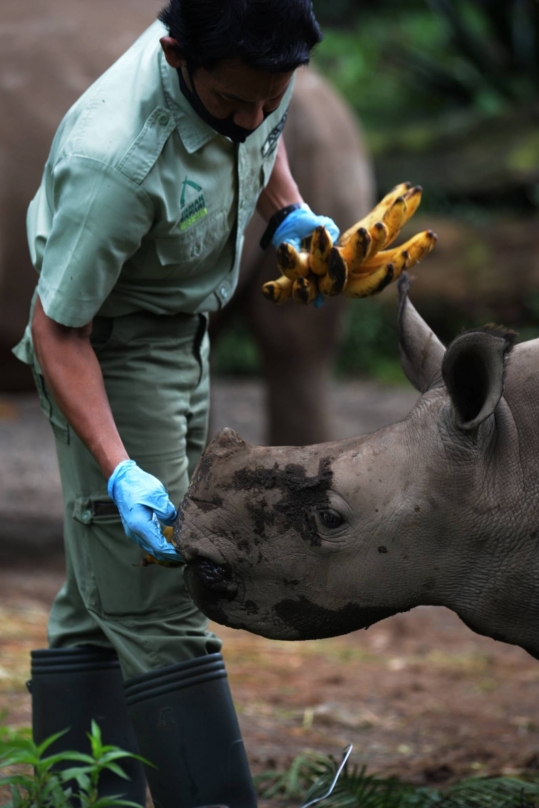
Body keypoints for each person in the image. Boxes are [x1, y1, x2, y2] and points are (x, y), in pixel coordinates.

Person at [14, 2, 340, 806]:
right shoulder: (114, 160)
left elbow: (259, 130)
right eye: (233, 103)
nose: (255, 117)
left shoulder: (252, 68)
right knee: (159, 593)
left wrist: (285, 209)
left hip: (185, 332)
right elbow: (56, 330)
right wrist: (119, 468)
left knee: (102, 595)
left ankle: (84, 796)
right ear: (176, 56)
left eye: (273, 99)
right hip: (109, 351)